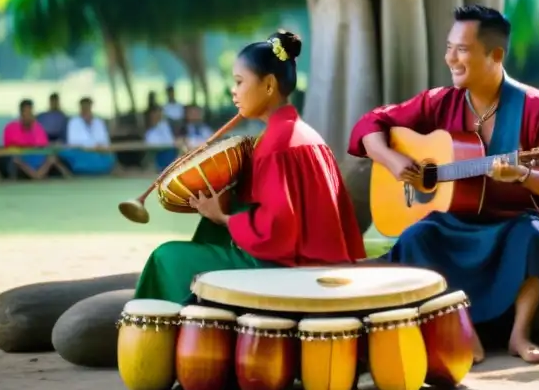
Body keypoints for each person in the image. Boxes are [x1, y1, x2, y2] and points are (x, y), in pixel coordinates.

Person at [348, 5, 539, 364]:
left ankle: (519, 335)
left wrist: (524, 173)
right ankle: (463, 329)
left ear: (496, 54)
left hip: (509, 223)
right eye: (449, 47)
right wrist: (392, 159)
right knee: (416, 237)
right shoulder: (439, 102)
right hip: (450, 222)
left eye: (462, 49)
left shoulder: (538, 107)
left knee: (535, 237)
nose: (450, 58)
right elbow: (370, 124)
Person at [134, 30, 367, 303]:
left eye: (240, 82)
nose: (234, 91)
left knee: (166, 257)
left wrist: (223, 218)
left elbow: (276, 228)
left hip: (285, 271)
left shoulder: (276, 144)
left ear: (269, 85)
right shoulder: (305, 135)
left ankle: (163, 340)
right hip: (320, 263)